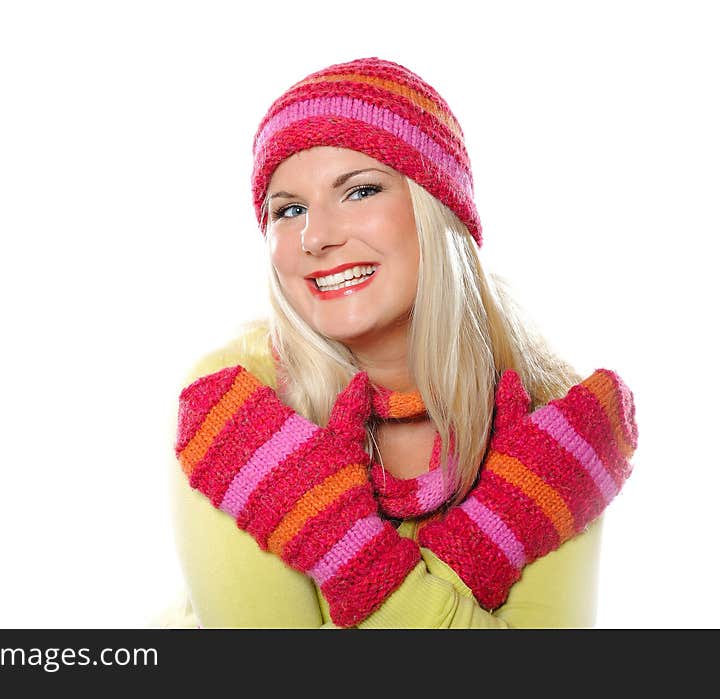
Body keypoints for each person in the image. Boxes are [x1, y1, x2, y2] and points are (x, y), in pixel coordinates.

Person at [162, 57, 638, 629]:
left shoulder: (556, 425)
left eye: (359, 191)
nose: (316, 237)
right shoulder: (235, 407)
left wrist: (353, 561)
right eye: (289, 210)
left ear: (438, 208)